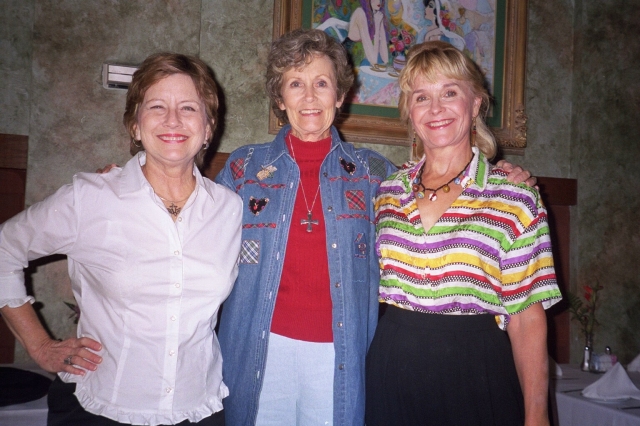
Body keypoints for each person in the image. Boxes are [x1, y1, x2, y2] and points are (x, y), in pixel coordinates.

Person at [215, 29, 534, 426]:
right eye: (295, 84)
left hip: (340, 357)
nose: (310, 97)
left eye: (322, 83)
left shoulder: (375, 175)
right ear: (280, 99)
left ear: (341, 96)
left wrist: (506, 175)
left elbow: (442, 188)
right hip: (256, 351)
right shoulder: (244, 170)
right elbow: (193, 238)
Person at [0, 52, 242, 425]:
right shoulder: (91, 198)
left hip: (198, 409)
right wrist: (40, 345)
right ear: (134, 124)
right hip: (101, 409)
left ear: (209, 127)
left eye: (189, 108)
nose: (173, 120)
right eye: (157, 106)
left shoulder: (230, 209)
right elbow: (4, 248)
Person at [365, 40, 562, 426]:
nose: (435, 108)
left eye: (450, 93)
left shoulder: (514, 196)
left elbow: (526, 317)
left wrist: (537, 416)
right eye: (422, 97)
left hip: (476, 374)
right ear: (409, 111)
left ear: (475, 105)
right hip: (390, 372)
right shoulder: (387, 191)